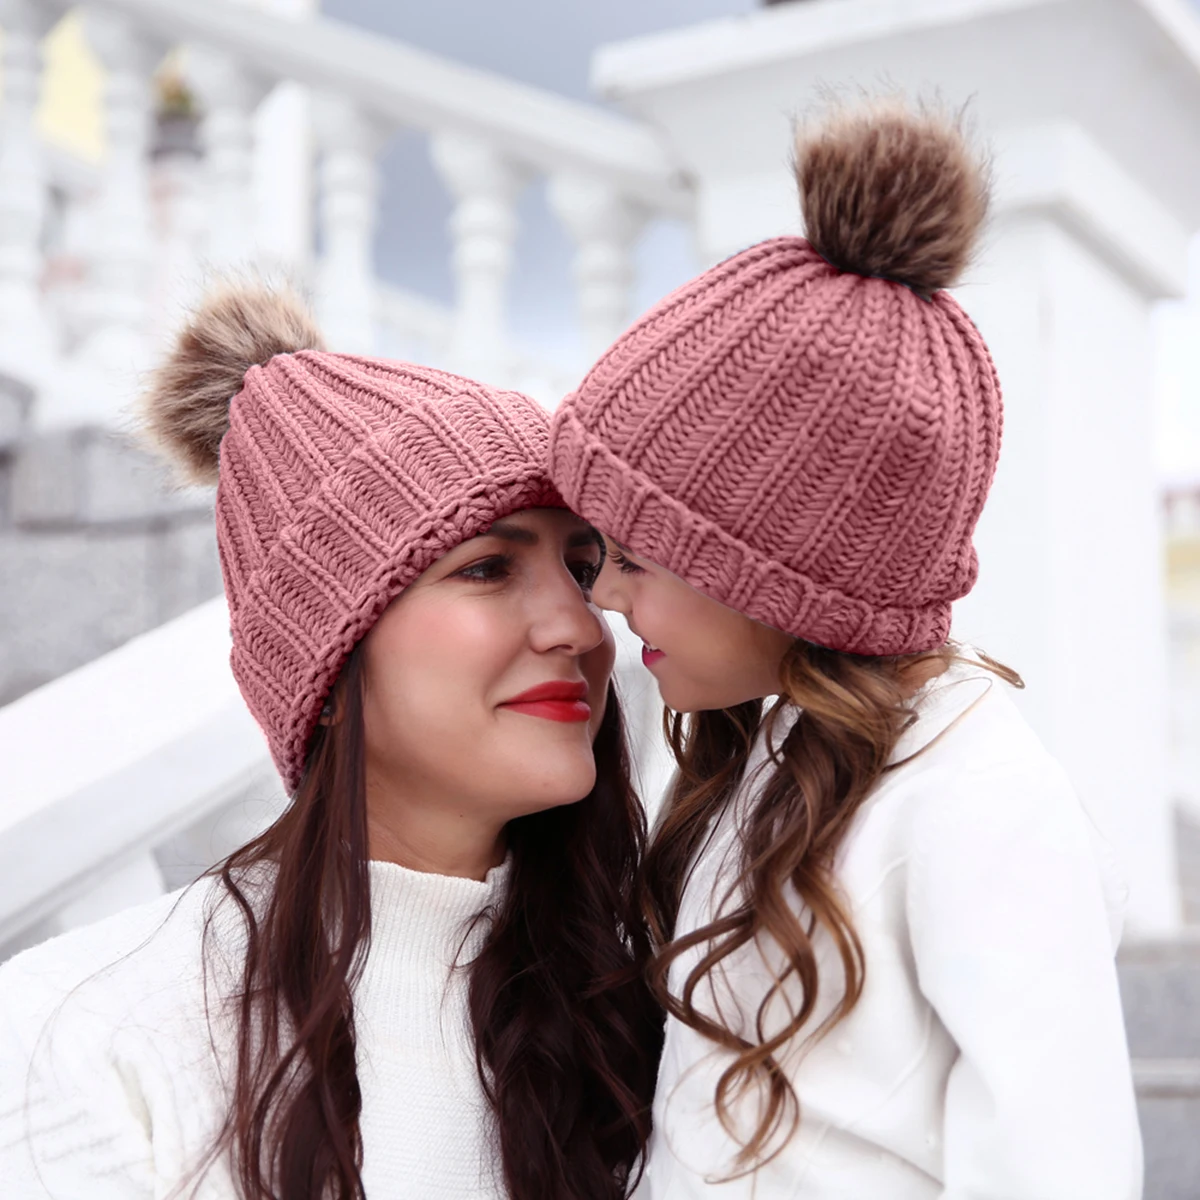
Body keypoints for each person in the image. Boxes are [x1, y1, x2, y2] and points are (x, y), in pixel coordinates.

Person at [549, 99, 1142, 1197]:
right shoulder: (762, 760)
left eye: (637, 558)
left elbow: (1061, 1164)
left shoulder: (975, 803)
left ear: (781, 575)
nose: (607, 597)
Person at [0, 284, 661, 1200]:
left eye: (583, 569)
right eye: (487, 568)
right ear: (328, 664)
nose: (582, 628)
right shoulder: (86, 1032)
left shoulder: (649, 1015)